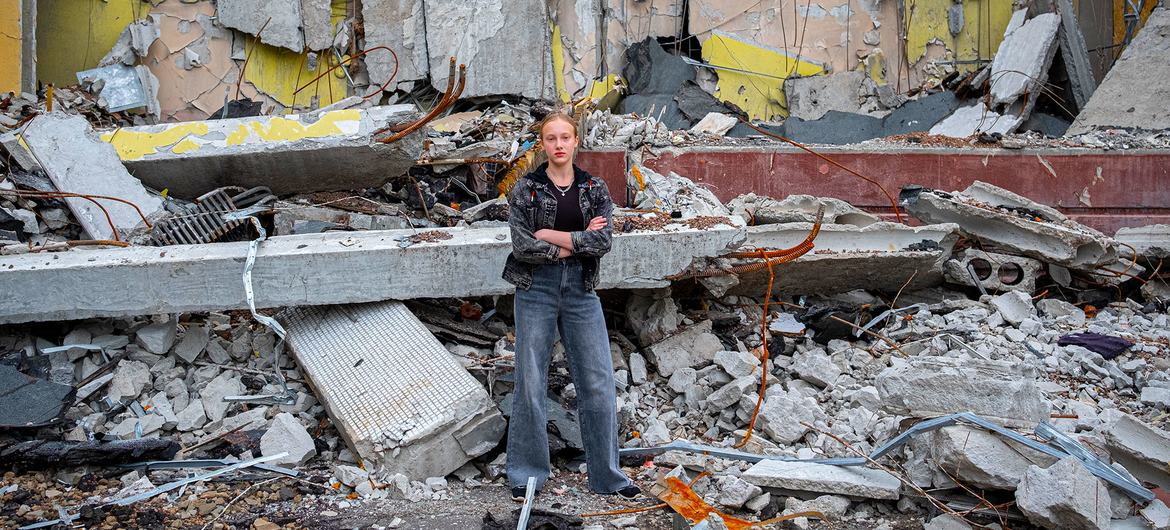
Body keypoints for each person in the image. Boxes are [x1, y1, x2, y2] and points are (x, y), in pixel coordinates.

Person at [501, 111, 640, 502]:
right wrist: (577, 239)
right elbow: (522, 246)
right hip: (536, 289)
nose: (559, 144)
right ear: (542, 144)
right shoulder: (526, 188)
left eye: (565, 137)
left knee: (597, 381)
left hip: (581, 289)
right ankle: (527, 475)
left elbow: (603, 242)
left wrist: (553, 236)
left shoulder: (594, 189)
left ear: (576, 141)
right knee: (530, 380)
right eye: (551, 138)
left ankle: (608, 477)